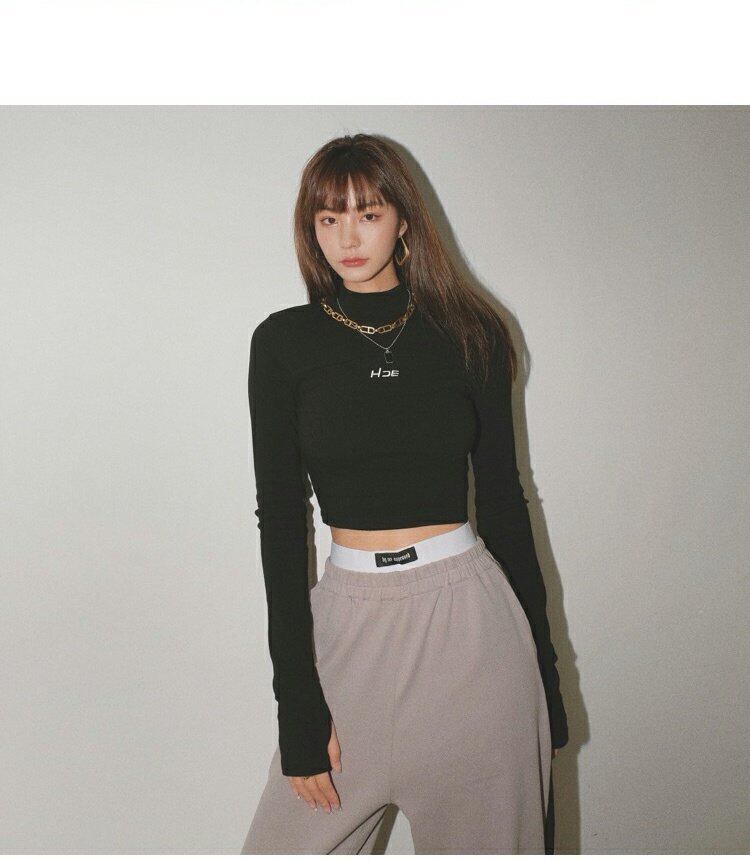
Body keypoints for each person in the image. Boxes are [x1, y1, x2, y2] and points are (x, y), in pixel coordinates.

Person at [241, 133, 568, 854]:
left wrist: (546, 676)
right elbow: (281, 522)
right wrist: (297, 702)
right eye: (329, 218)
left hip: (472, 633)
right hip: (348, 625)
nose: (348, 238)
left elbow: (505, 501)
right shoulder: (285, 344)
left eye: (368, 214)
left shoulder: (473, 333)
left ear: (404, 221)